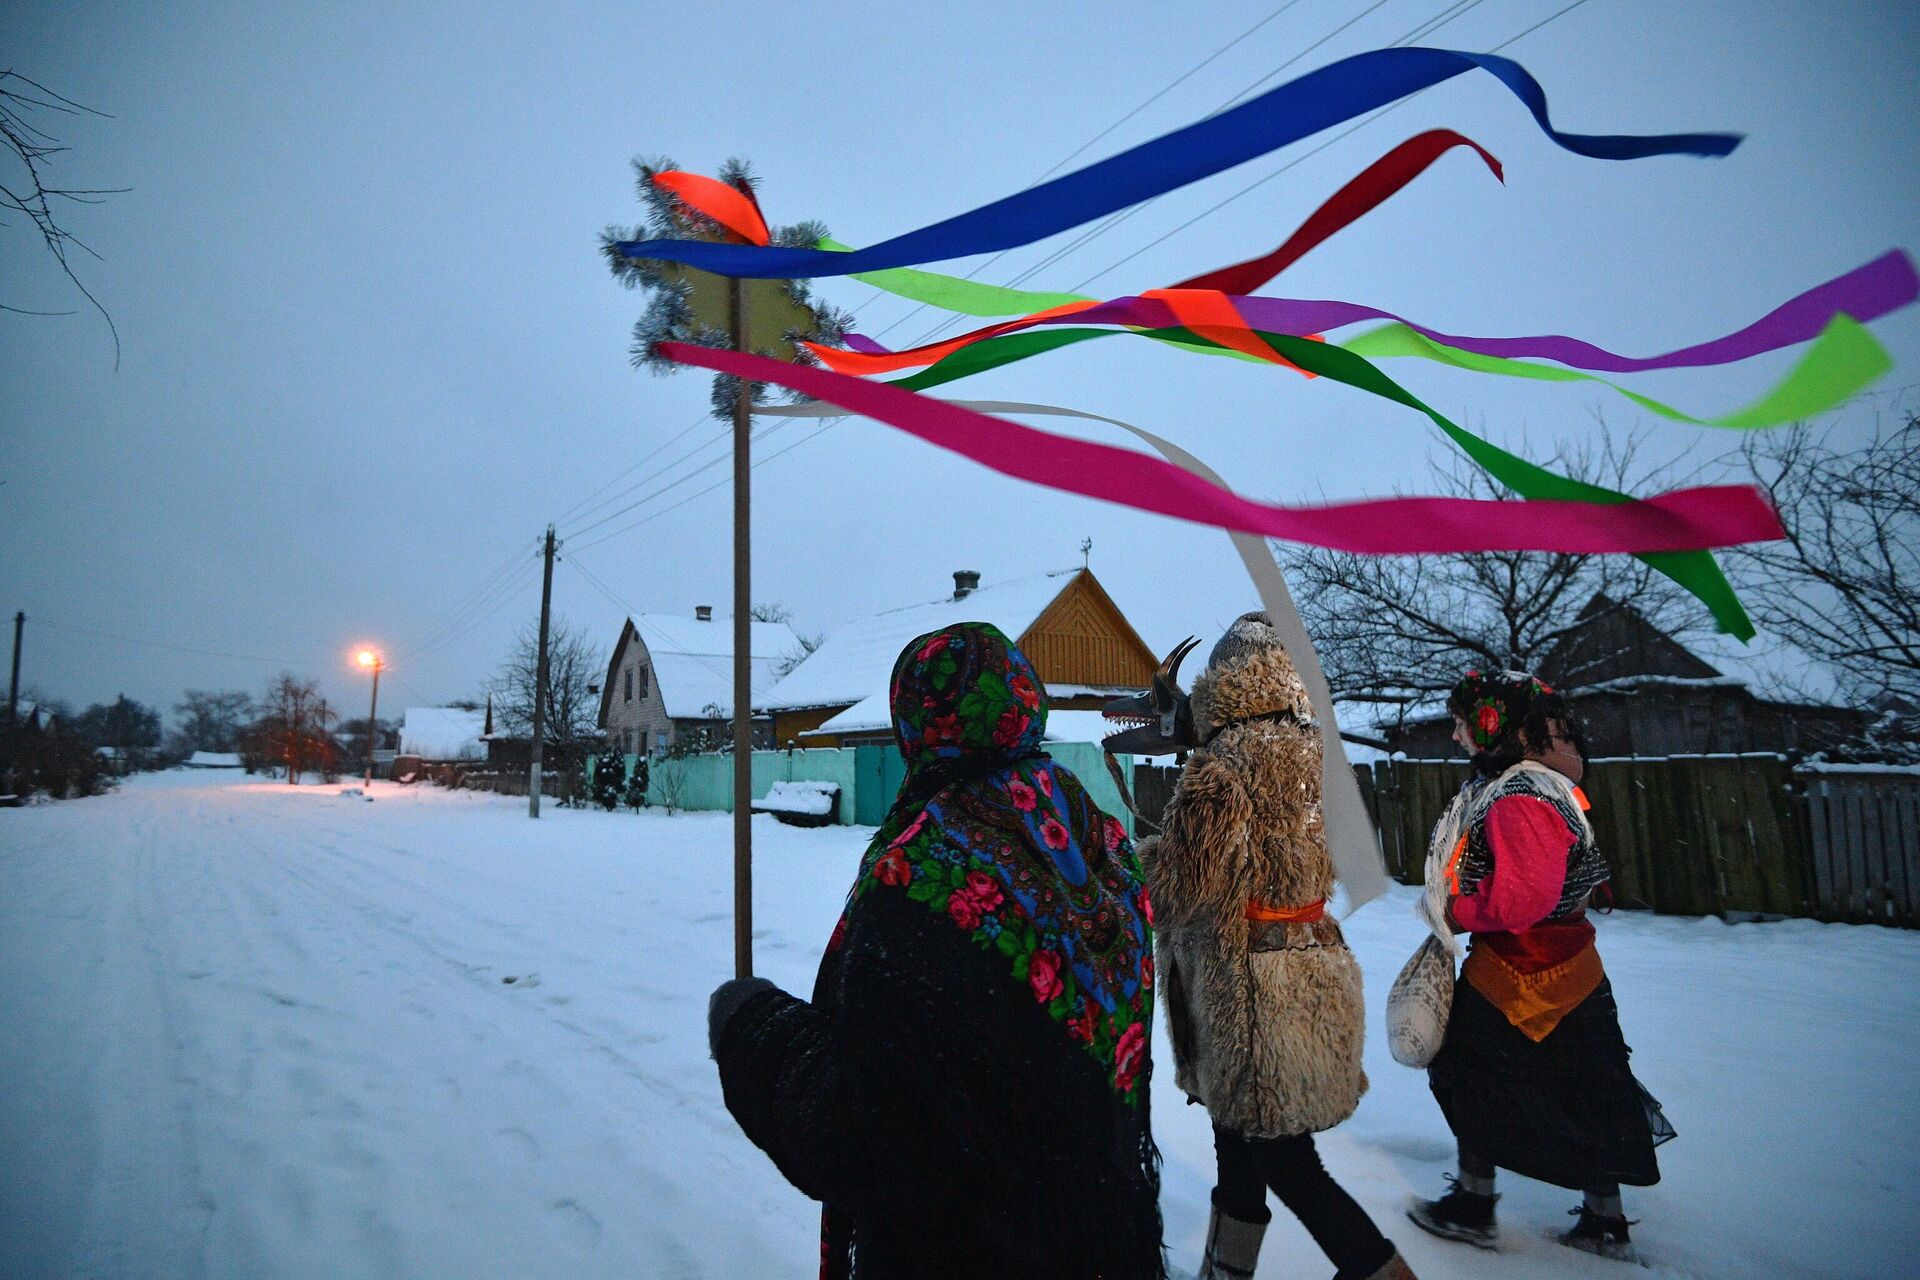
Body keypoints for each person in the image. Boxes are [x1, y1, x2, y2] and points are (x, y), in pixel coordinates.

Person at [706, 622, 1163, 1280]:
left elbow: (865, 1132)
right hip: (1103, 1240)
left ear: (916, 721)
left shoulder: (921, 877)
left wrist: (753, 1027)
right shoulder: (1098, 845)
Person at [1147, 613, 1416, 1280]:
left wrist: (1145, 856)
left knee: (1288, 1164)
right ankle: (1225, 1271)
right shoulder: (1317, 753)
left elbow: (1178, 891)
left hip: (1251, 996)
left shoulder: (1222, 766)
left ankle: (1380, 1270)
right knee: (1237, 1148)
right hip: (1310, 963)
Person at [1408, 670, 1674, 1264]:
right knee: (1584, 1088)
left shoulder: (1519, 797)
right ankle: (1603, 1221)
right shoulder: (1532, 786)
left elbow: (1522, 902)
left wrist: (1453, 908)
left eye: (1461, 723)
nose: (1456, 736)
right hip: (1567, 969)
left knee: (1469, 1074)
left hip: (1522, 971)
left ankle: (1475, 1208)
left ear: (1492, 724)